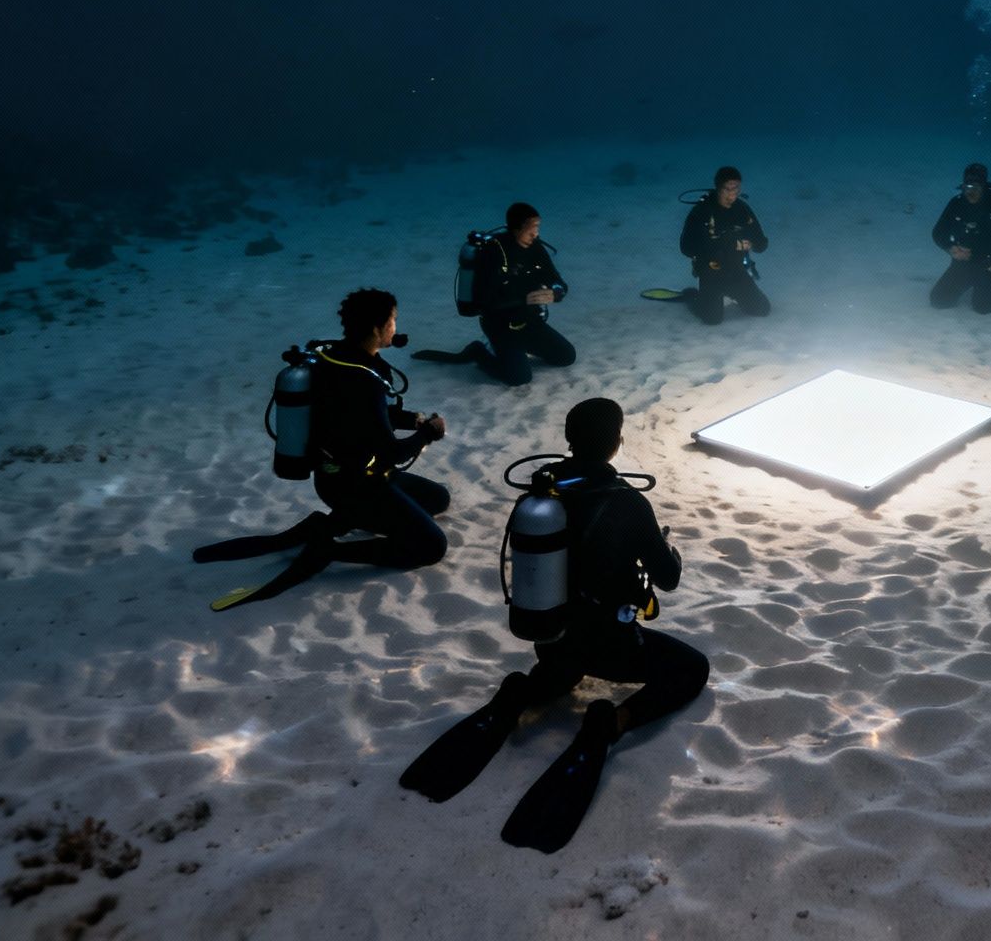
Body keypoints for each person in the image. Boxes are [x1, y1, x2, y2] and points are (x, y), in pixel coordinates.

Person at [400, 398, 709, 853]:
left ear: (569, 440)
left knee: (566, 668)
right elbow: (669, 578)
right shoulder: (627, 503)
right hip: (611, 648)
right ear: (616, 444)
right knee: (692, 668)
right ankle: (613, 720)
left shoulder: (543, 495)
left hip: (552, 640)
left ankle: (521, 694)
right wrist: (666, 548)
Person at [203, 288, 451, 610]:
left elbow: (368, 417)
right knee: (432, 547)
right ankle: (330, 549)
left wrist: (414, 420)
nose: (394, 327)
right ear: (377, 328)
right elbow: (392, 452)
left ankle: (336, 522)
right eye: (392, 320)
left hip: (346, 475)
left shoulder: (337, 358)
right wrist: (428, 434)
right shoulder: (364, 379)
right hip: (355, 486)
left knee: (438, 499)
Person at [470, 202, 576, 386]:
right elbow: (482, 300)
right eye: (531, 229)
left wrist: (556, 293)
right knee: (519, 378)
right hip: (500, 327)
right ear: (516, 228)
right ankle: (478, 351)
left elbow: (557, 280)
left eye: (538, 227)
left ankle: (519, 351)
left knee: (566, 357)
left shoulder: (536, 248)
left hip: (530, 321)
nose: (535, 234)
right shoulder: (493, 252)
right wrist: (522, 299)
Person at [679, 166, 771, 325]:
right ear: (718, 188)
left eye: (735, 188)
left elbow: (761, 245)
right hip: (711, 271)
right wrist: (726, 244)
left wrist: (751, 243)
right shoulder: (703, 211)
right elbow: (686, 247)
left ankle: (730, 293)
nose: (732, 194)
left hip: (736, 270)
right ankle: (694, 297)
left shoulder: (742, 209)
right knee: (712, 319)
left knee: (762, 309)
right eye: (727, 189)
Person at [930, 162, 991, 313]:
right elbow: (938, 232)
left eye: (976, 188)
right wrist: (951, 248)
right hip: (962, 263)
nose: (971, 193)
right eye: (967, 188)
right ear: (963, 187)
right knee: (939, 301)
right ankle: (968, 282)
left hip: (989, 265)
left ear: (984, 187)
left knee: (983, 308)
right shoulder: (956, 204)